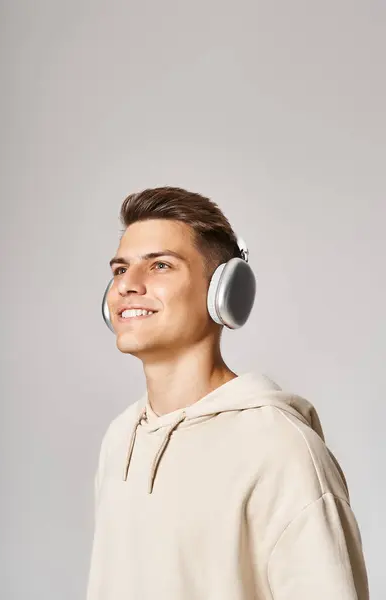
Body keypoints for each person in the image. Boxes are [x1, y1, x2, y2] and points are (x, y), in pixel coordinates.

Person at [86, 186, 369, 599]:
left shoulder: (280, 448)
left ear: (224, 293)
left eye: (160, 265)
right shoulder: (121, 438)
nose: (128, 284)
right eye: (119, 269)